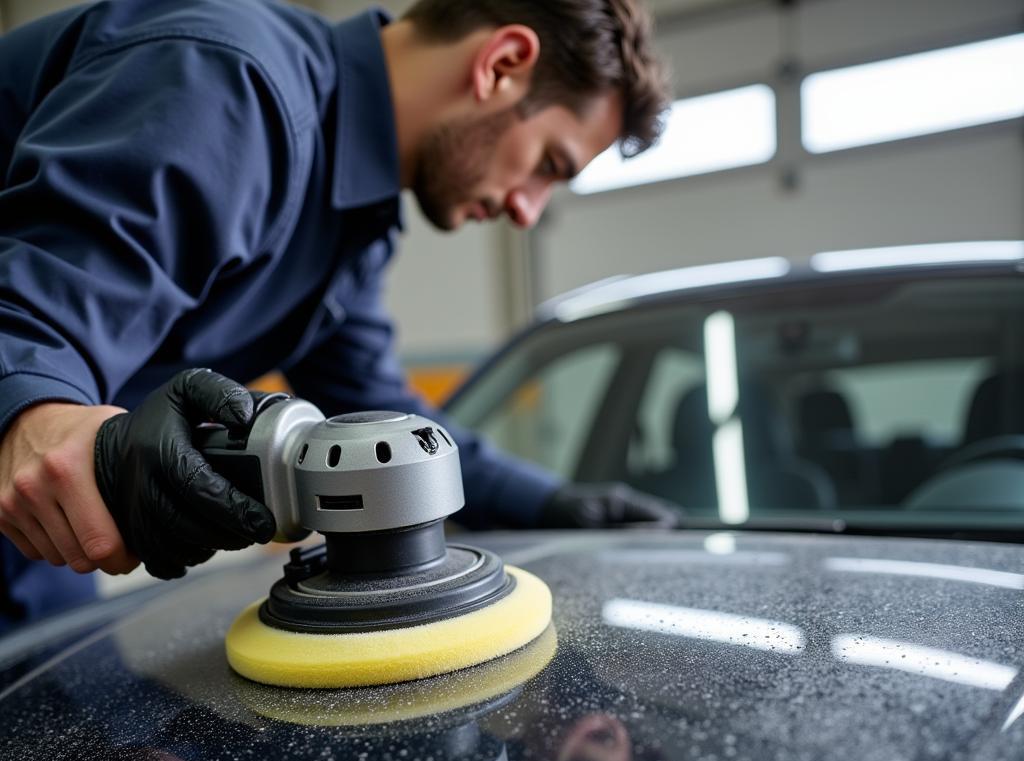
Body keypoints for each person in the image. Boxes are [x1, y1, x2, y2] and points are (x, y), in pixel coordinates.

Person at [0, 0, 676, 631]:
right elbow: (29, 328)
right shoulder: (229, 84)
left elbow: (379, 414)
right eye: (548, 165)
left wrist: (551, 503)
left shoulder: (356, 226)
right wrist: (38, 411)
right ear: (500, 65)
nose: (529, 210)